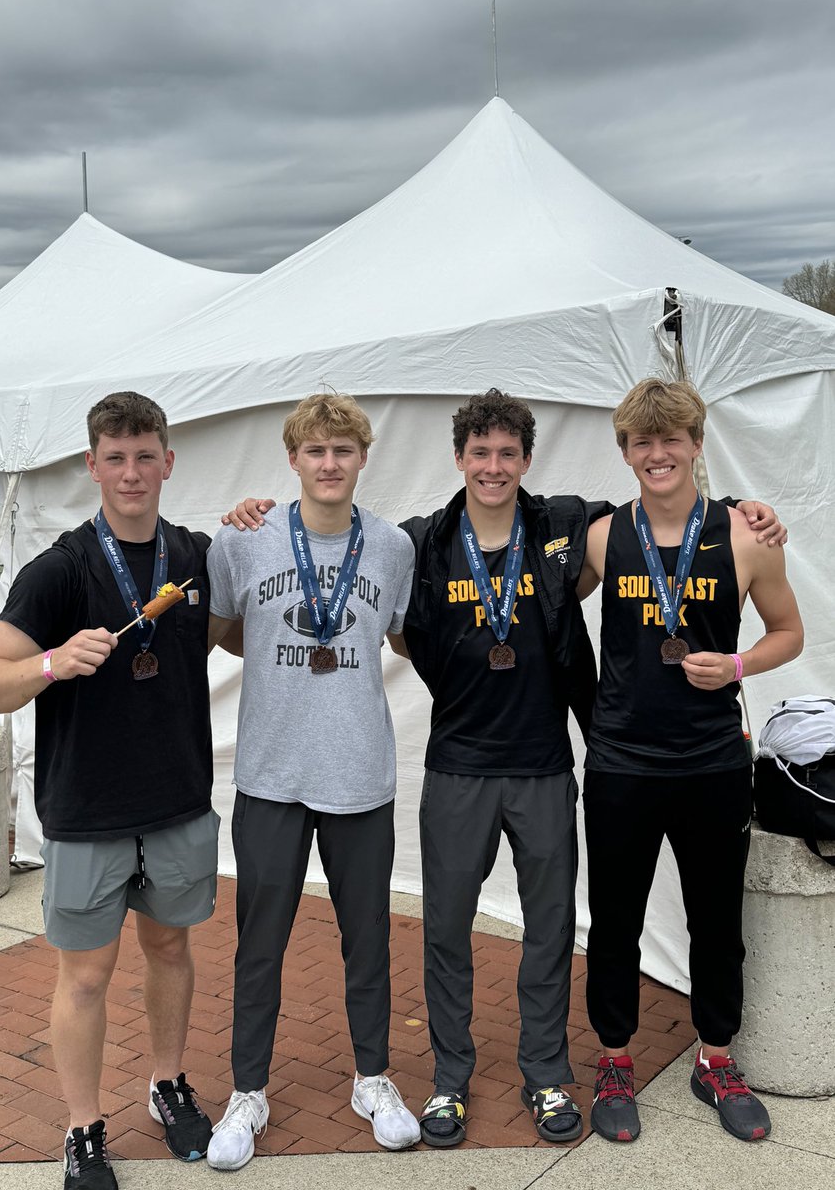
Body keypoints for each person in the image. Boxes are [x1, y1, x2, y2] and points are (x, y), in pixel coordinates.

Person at [225, 387, 784, 1148]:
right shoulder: (418, 541)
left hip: (546, 766)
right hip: (457, 766)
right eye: (480, 453)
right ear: (458, 459)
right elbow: (396, 631)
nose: (493, 467)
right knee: (447, 933)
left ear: (527, 460)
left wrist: (750, 506)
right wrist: (252, 511)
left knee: (551, 934)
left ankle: (548, 1073)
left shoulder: (562, 529)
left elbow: (663, 500)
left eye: (508, 454)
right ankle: (449, 1080)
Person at [0, 393, 220, 1190]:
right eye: (116, 457)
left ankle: (168, 1084)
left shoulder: (197, 556)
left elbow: (244, 625)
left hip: (176, 800)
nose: (132, 472)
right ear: (92, 466)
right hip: (85, 812)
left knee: (172, 949)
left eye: (146, 455)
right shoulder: (62, 568)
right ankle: (82, 1128)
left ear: (168, 461)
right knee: (84, 976)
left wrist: (260, 524)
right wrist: (48, 663)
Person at [578, 378, 803, 1145]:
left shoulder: (743, 535)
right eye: (643, 441)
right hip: (620, 765)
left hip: (710, 762)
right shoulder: (604, 537)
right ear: (626, 452)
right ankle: (615, 1061)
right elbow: (524, 568)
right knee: (613, 924)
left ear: (698, 444)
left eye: (672, 438)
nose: (658, 453)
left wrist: (739, 667)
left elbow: (788, 633)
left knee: (716, 923)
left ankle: (715, 1058)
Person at [204, 392, 420, 1172]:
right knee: (259, 944)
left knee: (366, 939)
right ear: (292, 458)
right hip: (270, 775)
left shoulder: (393, 547)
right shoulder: (244, 542)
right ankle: (248, 1092)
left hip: (360, 774)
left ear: (363, 458)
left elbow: (399, 632)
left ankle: (373, 1080)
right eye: (315, 451)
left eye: (344, 450)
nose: (329, 464)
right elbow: (227, 632)